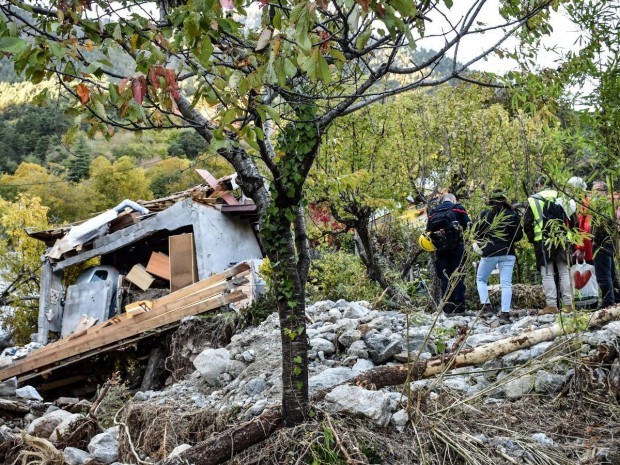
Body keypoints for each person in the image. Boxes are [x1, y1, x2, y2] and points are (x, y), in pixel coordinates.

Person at [523, 176, 575, 314]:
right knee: (564, 272)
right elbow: (574, 220)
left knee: (547, 273)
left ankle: (551, 305)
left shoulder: (533, 200)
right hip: (563, 239)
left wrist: (533, 240)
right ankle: (569, 305)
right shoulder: (563, 196)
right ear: (552, 185)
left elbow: (527, 224)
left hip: (543, 241)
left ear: (539, 184)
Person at [474, 190, 523, 322]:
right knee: (506, 283)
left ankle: (487, 307)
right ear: (504, 199)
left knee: (481, 279)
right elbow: (519, 235)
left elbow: (477, 235)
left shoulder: (484, 214)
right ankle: (505, 314)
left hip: (490, 252)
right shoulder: (512, 214)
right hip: (508, 252)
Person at [426, 193, 471, 315]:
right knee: (458, 276)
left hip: (440, 250)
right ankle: (459, 307)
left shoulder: (433, 212)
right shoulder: (458, 208)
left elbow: (428, 232)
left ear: (442, 200)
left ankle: (447, 308)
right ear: (453, 200)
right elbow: (468, 226)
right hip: (457, 247)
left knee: (445, 278)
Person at [590, 181, 620, 308]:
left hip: (603, 243)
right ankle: (617, 299)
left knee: (603, 275)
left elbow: (602, 227)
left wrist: (595, 239)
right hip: (608, 242)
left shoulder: (604, 206)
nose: (594, 193)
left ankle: (608, 302)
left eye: (598, 190)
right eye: (593, 190)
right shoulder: (606, 205)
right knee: (611, 273)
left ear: (605, 192)